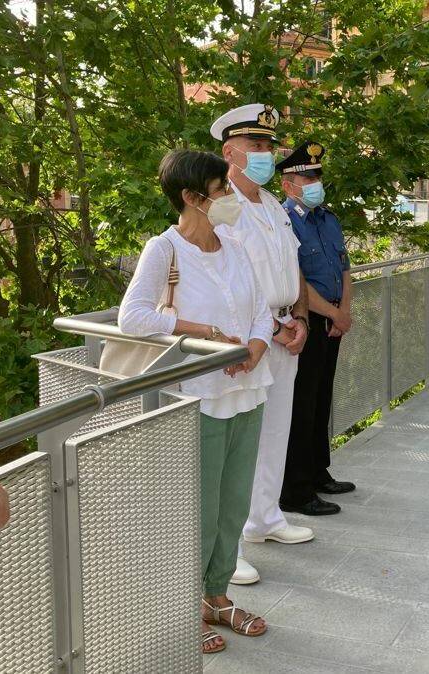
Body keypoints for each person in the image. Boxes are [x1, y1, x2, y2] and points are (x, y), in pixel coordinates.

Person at [118, 149, 273, 654]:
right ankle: (185, 608)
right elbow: (134, 318)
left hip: (247, 387)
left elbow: (260, 311)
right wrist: (203, 334)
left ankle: (217, 596)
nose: (229, 196)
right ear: (192, 197)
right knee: (197, 510)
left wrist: (254, 346)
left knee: (233, 504)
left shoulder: (233, 244)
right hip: (198, 396)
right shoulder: (163, 249)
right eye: (221, 188)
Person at [210, 104, 314, 587]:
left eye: (269, 145)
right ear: (229, 151)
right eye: (256, 146)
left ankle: (264, 518)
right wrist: (270, 328)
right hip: (249, 336)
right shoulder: (221, 204)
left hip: (283, 328)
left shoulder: (272, 205)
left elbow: (291, 268)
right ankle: (227, 549)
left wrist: (300, 319)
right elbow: (228, 277)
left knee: (275, 431)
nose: (266, 154)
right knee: (238, 443)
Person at [277, 141, 355, 516]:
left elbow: (343, 268)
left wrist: (344, 311)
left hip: (332, 320)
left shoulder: (328, 219)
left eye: (317, 175)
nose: (314, 181)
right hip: (304, 321)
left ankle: (318, 470)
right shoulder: (283, 221)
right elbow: (297, 281)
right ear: (287, 184)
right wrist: (331, 313)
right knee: (301, 405)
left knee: (322, 398)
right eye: (306, 176)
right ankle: (295, 489)